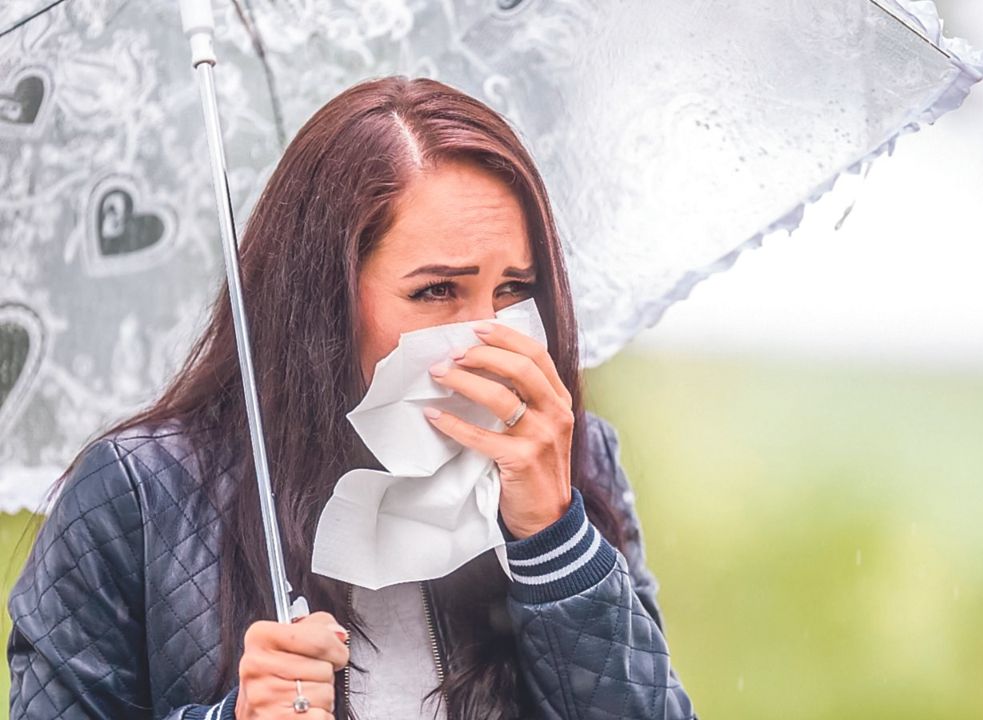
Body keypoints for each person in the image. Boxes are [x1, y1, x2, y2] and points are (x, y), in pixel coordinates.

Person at [7, 76, 695, 720]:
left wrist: (553, 538)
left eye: (514, 289)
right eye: (436, 291)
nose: (488, 335)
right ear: (325, 299)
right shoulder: (137, 496)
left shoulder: (574, 461)